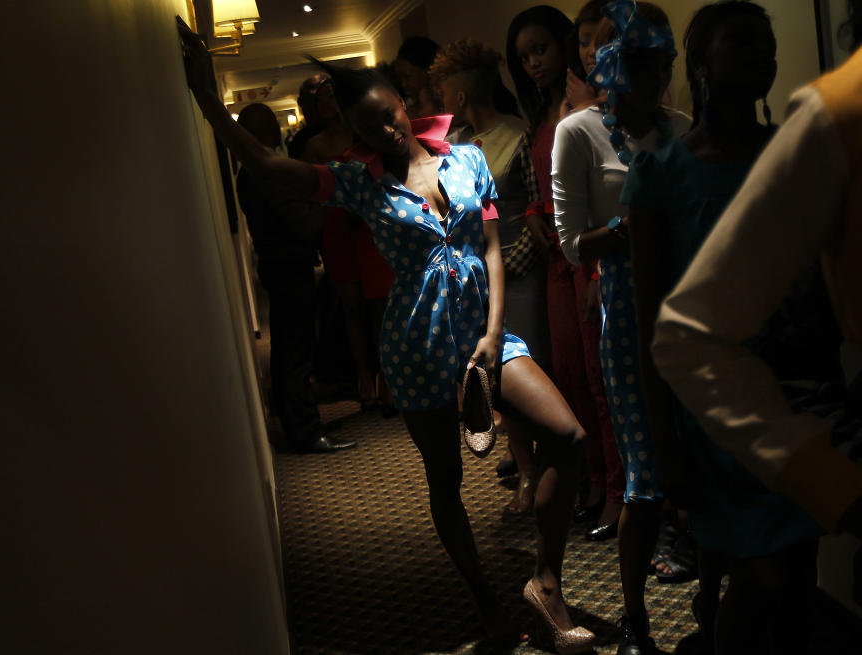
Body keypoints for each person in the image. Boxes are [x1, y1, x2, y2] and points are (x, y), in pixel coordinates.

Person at [178, 20, 594, 652]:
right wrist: (210, 102)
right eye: (368, 126)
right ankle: (484, 598)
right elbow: (267, 162)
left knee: (568, 436)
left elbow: (492, 252)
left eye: (390, 114)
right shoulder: (356, 180)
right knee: (444, 481)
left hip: (486, 337)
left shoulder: (468, 157)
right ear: (354, 131)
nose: (387, 131)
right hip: (416, 345)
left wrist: (491, 333)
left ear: (405, 102)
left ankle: (545, 581)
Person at [624, 4, 848, 652]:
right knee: (763, 578)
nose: (760, 58)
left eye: (765, 47)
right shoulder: (661, 175)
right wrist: (662, 442)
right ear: (699, 65)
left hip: (803, 392)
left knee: (795, 573)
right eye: (740, 45)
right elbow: (651, 321)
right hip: (716, 409)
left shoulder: (797, 154)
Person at [550, 2, 691, 653]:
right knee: (642, 470)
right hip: (628, 311)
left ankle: (705, 604)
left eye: (656, 60)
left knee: (697, 457)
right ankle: (632, 618)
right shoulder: (578, 131)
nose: (645, 74)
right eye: (631, 61)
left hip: (689, 308)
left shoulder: (685, 131)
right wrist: (632, 231)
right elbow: (572, 244)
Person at [510, 3, 626, 541]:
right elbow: (544, 183)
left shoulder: (593, 103)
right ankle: (595, 481)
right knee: (571, 376)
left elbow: (607, 179)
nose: (535, 62)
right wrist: (535, 214)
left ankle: (621, 491)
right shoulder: (539, 112)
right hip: (557, 257)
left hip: (592, 253)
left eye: (541, 49)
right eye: (525, 56)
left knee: (604, 378)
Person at [430, 38, 551, 514]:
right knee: (499, 377)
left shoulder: (516, 134)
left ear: (460, 96)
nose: (440, 102)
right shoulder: (449, 148)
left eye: (444, 92)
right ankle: (527, 470)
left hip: (522, 268)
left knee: (538, 370)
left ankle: (559, 468)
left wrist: (516, 259)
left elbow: (538, 203)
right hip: (477, 281)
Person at [235, 104, 357, 454]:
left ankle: (302, 424)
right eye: (270, 122)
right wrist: (328, 201)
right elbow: (303, 223)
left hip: (280, 265)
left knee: (292, 348)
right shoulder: (264, 173)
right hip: (288, 266)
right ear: (257, 132)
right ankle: (305, 432)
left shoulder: (250, 172)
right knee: (295, 352)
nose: (278, 127)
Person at [303, 75, 396, 413]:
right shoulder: (315, 144)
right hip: (337, 226)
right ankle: (363, 378)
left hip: (369, 223)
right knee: (351, 305)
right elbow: (312, 193)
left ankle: (387, 378)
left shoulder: (366, 135)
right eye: (322, 98)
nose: (329, 103)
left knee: (378, 305)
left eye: (333, 95)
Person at [394, 36, 443, 119]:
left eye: (407, 76)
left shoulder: (449, 107)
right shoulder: (406, 113)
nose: (403, 84)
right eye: (400, 78)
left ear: (428, 69)